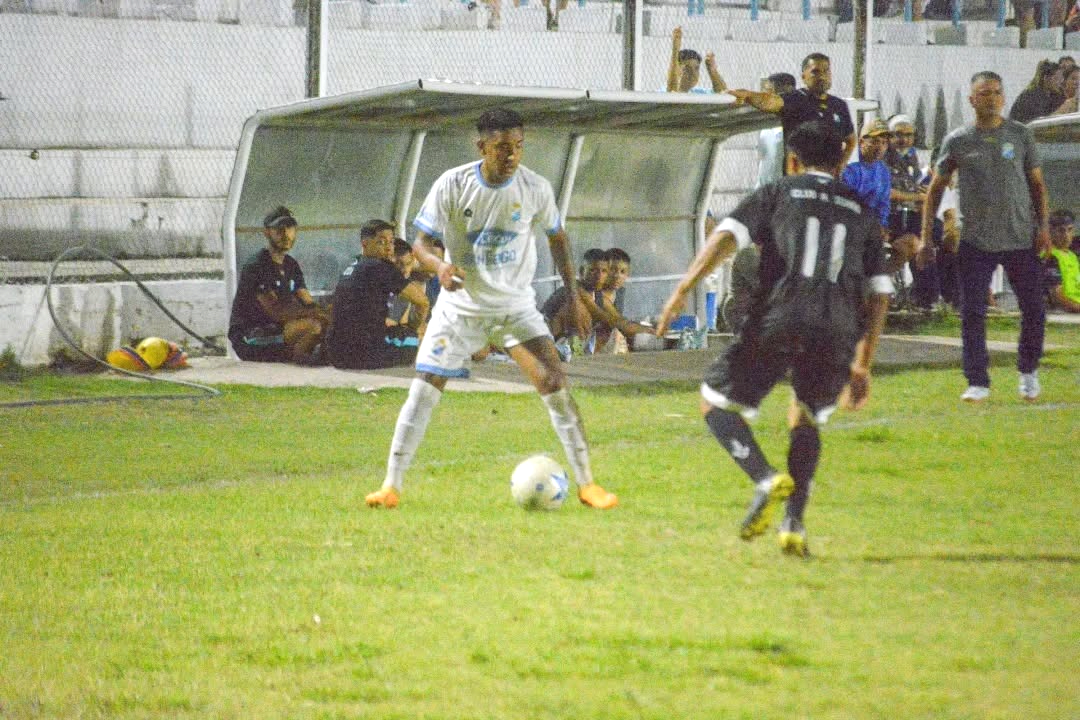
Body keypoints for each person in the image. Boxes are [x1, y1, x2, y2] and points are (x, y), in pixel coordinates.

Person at [655, 120, 894, 558]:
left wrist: (682, 289)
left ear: (792, 159)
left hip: (781, 315)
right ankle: (794, 526)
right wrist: (864, 361)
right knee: (806, 418)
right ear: (842, 157)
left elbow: (726, 237)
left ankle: (765, 479)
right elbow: (880, 294)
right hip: (838, 326)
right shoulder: (862, 210)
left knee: (714, 403)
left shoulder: (778, 192)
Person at [365, 108, 618, 510]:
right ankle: (390, 486)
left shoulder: (535, 188)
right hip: (459, 308)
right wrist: (440, 267)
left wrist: (574, 297)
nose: (512, 155)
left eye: (518, 147)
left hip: (515, 307)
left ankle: (589, 485)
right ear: (481, 146)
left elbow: (557, 238)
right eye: (502, 147)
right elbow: (420, 244)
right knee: (424, 387)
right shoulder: (453, 184)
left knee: (555, 383)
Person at [921, 70, 1050, 403]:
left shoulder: (1021, 135)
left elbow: (1037, 186)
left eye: (995, 92)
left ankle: (1028, 371)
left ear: (1003, 97)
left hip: (1021, 236)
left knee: (1034, 309)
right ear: (972, 99)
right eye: (983, 93)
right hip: (976, 240)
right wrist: (925, 237)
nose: (990, 99)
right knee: (973, 312)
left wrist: (1044, 228)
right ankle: (977, 380)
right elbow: (934, 190)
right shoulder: (959, 140)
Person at [228, 206, 329, 364]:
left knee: (327, 322)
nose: (286, 234)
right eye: (279, 229)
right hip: (251, 336)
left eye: (290, 228)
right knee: (313, 326)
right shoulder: (257, 265)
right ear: (267, 232)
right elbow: (277, 312)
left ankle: (307, 358)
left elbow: (307, 301)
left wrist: (326, 312)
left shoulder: (291, 265)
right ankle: (302, 359)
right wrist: (315, 313)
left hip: (279, 330)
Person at [325, 220, 430, 370]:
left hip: (335, 353)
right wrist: (412, 329)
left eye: (391, 242)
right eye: (381, 242)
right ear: (365, 244)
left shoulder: (352, 265)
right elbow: (422, 302)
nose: (389, 248)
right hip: (365, 352)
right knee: (418, 339)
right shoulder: (381, 267)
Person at [729, 53, 857, 176]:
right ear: (804, 77)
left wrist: (842, 163)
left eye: (826, 71)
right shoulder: (795, 99)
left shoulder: (839, 105)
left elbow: (851, 140)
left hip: (830, 181)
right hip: (799, 179)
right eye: (815, 72)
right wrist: (748, 95)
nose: (822, 76)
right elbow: (769, 101)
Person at [754, 72, 798, 189]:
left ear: (788, 90)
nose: (766, 95)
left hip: (785, 189)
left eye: (770, 91)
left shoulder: (797, 122)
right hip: (765, 190)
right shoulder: (766, 123)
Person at [666, 27, 727, 94]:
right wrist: (675, 50)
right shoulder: (662, 93)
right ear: (678, 70)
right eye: (687, 68)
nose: (693, 73)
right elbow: (672, 91)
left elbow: (723, 92)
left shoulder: (699, 92)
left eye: (696, 68)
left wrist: (713, 72)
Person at [1043, 209, 1080, 312]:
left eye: (1070, 230)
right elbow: (1057, 298)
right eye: (1061, 230)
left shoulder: (1072, 256)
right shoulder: (1050, 257)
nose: (1066, 236)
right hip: (1062, 312)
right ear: (1051, 231)